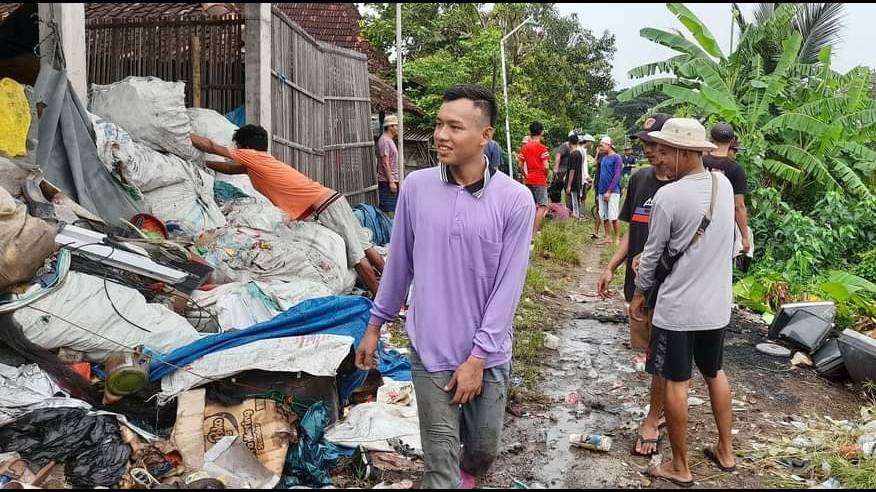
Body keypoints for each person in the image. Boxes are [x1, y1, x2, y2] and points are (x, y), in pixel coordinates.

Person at [355, 84, 534, 489]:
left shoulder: (514, 200)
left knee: (483, 451)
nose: (441, 135)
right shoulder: (417, 188)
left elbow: (509, 286)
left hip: (487, 354)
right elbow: (399, 262)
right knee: (440, 461)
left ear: (485, 136)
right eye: (439, 124)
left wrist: (478, 358)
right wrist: (374, 325)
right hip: (430, 346)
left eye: (455, 126)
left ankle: (465, 476)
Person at [629, 118, 736, 487]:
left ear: (683, 152)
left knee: (676, 382)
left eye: (665, 151)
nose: (660, 158)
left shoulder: (669, 196)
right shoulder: (722, 185)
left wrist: (640, 294)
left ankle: (680, 466)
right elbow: (734, 244)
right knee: (714, 372)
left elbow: (653, 254)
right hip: (717, 306)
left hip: (678, 310)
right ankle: (726, 451)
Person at [191, 125, 385, 296]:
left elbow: (212, 146)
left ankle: (382, 300)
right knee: (365, 246)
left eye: (238, 147)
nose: (237, 151)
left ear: (245, 147)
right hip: (332, 199)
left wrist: (184, 137)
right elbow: (232, 170)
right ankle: (394, 288)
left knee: (356, 256)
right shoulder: (261, 161)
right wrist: (203, 164)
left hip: (325, 206)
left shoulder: (252, 156)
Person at [597, 113, 674, 457]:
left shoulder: (683, 186)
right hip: (636, 286)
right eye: (644, 143)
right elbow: (633, 229)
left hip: (668, 287)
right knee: (648, 354)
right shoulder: (641, 179)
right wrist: (612, 265)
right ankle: (664, 403)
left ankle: (653, 418)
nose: (647, 150)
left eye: (654, 144)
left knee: (660, 356)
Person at [704, 122, 751, 255]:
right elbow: (739, 206)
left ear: (711, 139)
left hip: (698, 224)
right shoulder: (736, 169)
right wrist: (745, 237)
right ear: (731, 142)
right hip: (723, 227)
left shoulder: (700, 162)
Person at [521, 122, 551, 241]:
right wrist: (545, 175)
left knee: (531, 206)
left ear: (530, 132)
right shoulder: (542, 148)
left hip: (529, 179)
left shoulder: (525, 147)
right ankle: (533, 234)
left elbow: (519, 164)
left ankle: (526, 232)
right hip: (539, 179)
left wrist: (525, 175)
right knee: (543, 206)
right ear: (541, 132)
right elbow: (546, 166)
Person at [596, 136, 623, 245]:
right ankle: (608, 237)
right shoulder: (604, 158)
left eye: (602, 146)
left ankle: (617, 238)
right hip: (601, 191)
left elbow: (617, 175)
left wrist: (609, 191)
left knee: (613, 216)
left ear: (608, 145)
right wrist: (599, 192)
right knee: (604, 215)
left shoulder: (617, 158)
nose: (600, 148)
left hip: (612, 191)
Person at [377, 115, 400, 216]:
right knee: (386, 210)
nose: (398, 128)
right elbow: (385, 163)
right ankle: (385, 230)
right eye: (396, 126)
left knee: (393, 209)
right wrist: (391, 182)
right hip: (386, 181)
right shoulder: (384, 141)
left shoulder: (389, 140)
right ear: (390, 127)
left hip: (393, 179)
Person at [563, 134, 584, 219]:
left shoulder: (573, 154)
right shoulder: (579, 154)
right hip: (578, 180)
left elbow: (572, 170)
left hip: (573, 183)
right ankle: (574, 215)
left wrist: (569, 185)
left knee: (573, 200)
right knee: (574, 199)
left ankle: (576, 217)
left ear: (569, 143)